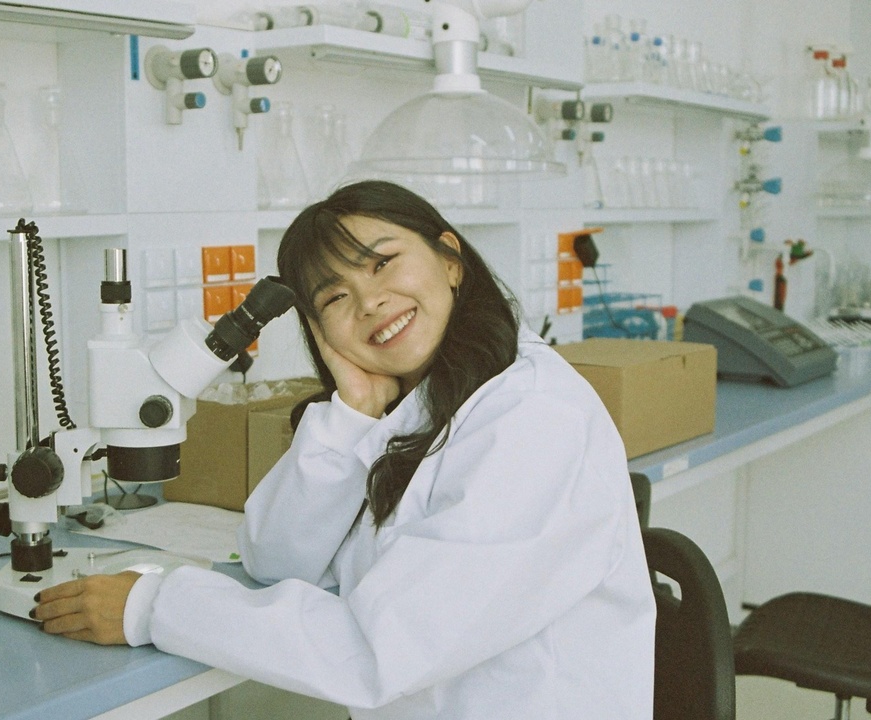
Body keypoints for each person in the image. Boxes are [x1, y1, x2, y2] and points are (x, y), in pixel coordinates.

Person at [34, 180, 656, 719]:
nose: (369, 302)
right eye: (334, 297)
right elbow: (274, 558)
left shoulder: (533, 419)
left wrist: (155, 606)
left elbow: (376, 650)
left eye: (383, 263)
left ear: (450, 259)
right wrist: (350, 417)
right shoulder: (418, 407)